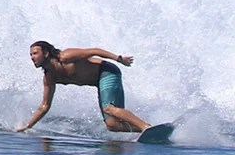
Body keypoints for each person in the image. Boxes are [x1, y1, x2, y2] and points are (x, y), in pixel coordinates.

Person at [16, 40, 151, 133]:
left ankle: (145, 127)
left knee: (109, 109)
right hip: (98, 82)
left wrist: (119, 59)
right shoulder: (49, 78)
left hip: (107, 71)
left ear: (46, 53)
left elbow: (95, 51)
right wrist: (28, 126)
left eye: (35, 53)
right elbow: (44, 106)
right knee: (112, 125)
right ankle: (146, 129)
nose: (32, 57)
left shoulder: (66, 56)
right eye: (30, 55)